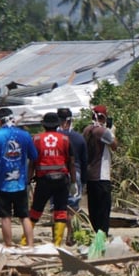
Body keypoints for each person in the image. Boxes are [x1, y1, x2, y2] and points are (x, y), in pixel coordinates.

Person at [0, 108, 38, 247]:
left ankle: (8, 245)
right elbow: (34, 156)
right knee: (24, 215)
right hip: (20, 182)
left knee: (5, 216)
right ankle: (30, 245)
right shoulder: (25, 135)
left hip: (3, 183)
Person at [27, 112, 75, 246]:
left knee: (35, 211)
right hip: (62, 180)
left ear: (44, 125)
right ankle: (57, 243)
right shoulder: (65, 140)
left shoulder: (36, 139)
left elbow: (31, 163)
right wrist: (74, 182)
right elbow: (71, 162)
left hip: (43, 181)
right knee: (60, 211)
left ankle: (25, 241)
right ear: (58, 124)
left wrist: (27, 181)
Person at [83, 105, 118, 237]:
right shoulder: (102, 131)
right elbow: (114, 145)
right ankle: (102, 237)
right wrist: (111, 131)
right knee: (103, 211)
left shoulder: (87, 130)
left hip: (90, 176)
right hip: (102, 176)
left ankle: (95, 235)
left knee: (93, 210)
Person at [56, 107, 87, 244]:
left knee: (58, 207)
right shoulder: (78, 138)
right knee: (72, 207)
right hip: (76, 174)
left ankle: (58, 237)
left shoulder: (54, 138)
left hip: (57, 173)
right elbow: (84, 160)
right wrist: (84, 181)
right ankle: (70, 234)